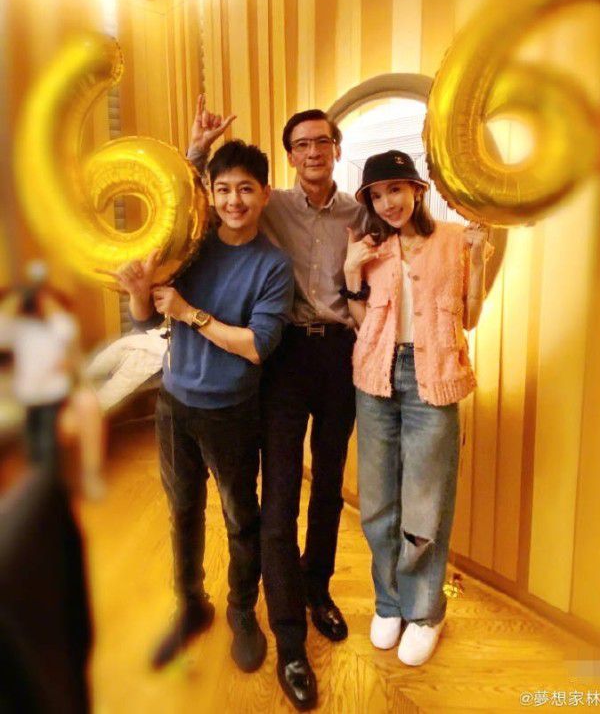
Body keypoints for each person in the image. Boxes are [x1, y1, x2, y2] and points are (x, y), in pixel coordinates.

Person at [189, 98, 365, 710]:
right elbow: (207, 200)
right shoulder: (272, 205)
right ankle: (290, 639)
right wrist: (198, 151)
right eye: (301, 145)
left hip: (341, 354)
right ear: (289, 158)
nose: (312, 152)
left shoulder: (361, 211)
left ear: (336, 148)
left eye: (322, 142)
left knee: (330, 486)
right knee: (281, 495)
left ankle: (318, 589)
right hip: (285, 356)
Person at [109, 140, 294, 673]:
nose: (234, 200)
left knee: (239, 516)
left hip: (231, 411)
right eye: (224, 189)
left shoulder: (273, 265)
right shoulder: (193, 246)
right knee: (183, 511)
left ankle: (242, 610)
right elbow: (148, 318)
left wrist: (189, 312)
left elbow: (256, 345)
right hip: (174, 404)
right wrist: (139, 292)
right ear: (210, 194)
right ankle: (190, 604)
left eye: (245, 189)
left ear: (264, 194)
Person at [342, 149, 492, 667]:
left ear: (417, 190)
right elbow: (361, 318)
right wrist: (350, 270)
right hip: (375, 377)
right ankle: (389, 603)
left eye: (396, 190)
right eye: (377, 195)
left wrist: (479, 257)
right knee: (378, 502)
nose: (388, 203)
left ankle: (425, 612)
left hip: (433, 378)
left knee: (426, 504)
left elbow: (469, 317)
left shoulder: (452, 239)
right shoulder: (368, 246)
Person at [0, 261, 79, 473]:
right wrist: (13, 302)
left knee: (48, 445)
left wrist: (48, 303)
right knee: (32, 445)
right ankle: (39, 478)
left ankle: (48, 479)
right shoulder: (20, 328)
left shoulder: (56, 326)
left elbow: (68, 331)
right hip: (29, 395)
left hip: (52, 395)